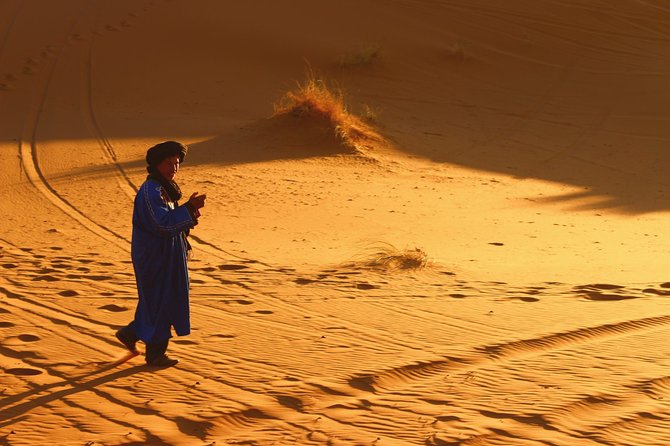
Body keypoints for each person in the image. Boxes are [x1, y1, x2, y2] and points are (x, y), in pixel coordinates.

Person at [115, 141, 206, 367]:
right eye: (168, 163)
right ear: (157, 164)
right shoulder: (151, 191)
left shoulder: (166, 189)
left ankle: (130, 333)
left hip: (166, 256)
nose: (173, 168)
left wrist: (189, 209)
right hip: (154, 257)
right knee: (160, 302)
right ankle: (155, 354)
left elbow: (170, 223)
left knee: (158, 301)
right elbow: (161, 224)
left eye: (176, 164)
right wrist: (187, 209)